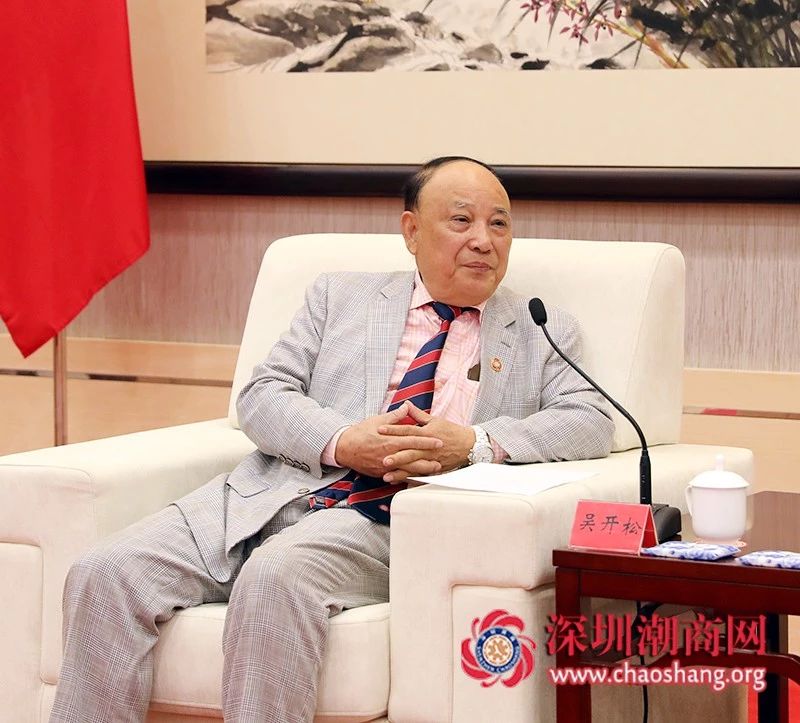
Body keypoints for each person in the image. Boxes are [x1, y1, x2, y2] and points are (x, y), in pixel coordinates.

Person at [50, 156, 614, 723]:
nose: (483, 241)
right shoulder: (339, 297)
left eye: (499, 224)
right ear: (412, 231)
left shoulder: (540, 327)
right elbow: (263, 395)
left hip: (382, 517)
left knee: (275, 576)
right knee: (105, 572)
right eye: (461, 221)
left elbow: (590, 419)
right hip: (266, 492)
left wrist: (472, 444)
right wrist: (342, 440)